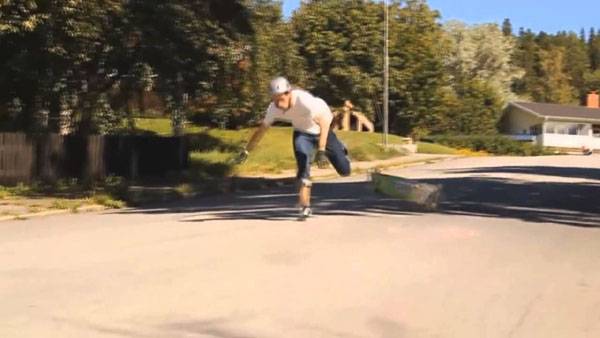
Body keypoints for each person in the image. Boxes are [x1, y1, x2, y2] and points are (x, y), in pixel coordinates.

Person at [235, 77, 351, 220]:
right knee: (303, 165)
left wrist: (321, 150)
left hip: (322, 129)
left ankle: (341, 147)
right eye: (274, 99)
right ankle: (305, 206)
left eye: (280, 99)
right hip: (302, 134)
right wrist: (247, 150)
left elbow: (325, 124)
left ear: (288, 93)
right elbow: (262, 130)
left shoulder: (306, 103)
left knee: (345, 171)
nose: (278, 103)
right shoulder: (273, 108)